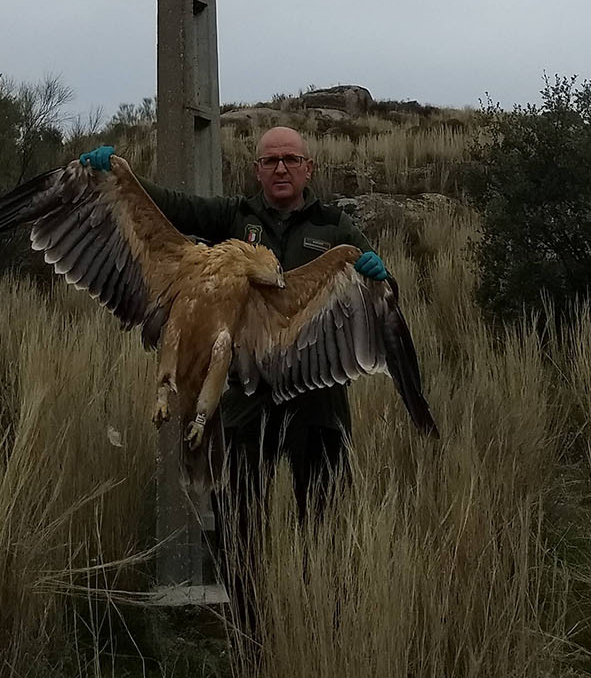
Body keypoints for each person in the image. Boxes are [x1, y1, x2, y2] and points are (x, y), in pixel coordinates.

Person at [78, 128, 390, 627]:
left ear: (308, 167)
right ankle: (252, 640)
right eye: (270, 161)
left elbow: (380, 298)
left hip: (320, 403)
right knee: (237, 526)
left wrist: (381, 274)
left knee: (327, 526)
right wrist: (120, 172)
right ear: (257, 170)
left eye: (290, 160)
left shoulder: (336, 227)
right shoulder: (234, 219)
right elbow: (175, 208)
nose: (281, 169)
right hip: (248, 400)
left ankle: (327, 637)